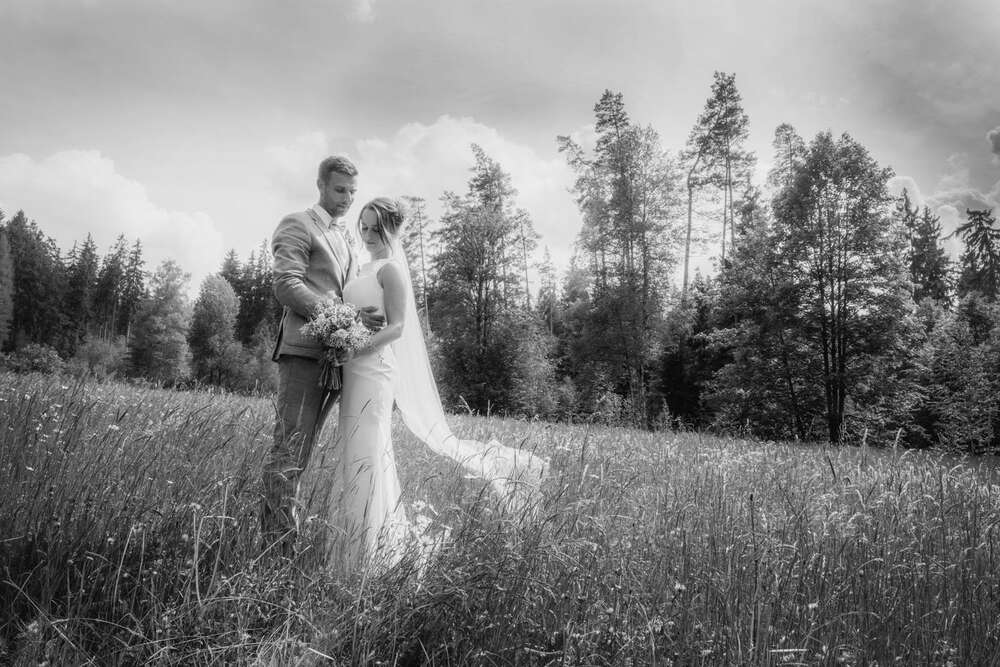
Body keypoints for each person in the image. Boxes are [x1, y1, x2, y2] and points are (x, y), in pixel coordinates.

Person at [330, 197, 549, 572]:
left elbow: (396, 327)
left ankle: (370, 556)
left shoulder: (392, 271)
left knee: (369, 450)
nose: (367, 235)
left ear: (393, 231)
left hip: (373, 369)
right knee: (350, 451)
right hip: (352, 369)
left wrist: (356, 349)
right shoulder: (360, 267)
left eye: (375, 229)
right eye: (363, 227)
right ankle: (346, 546)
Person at [263, 155, 383, 556]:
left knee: (306, 453)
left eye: (352, 191)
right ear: (320, 185)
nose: (347, 198)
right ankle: (276, 552)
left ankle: (286, 545)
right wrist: (344, 316)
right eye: (339, 189)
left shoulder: (346, 237)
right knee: (288, 452)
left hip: (335, 358)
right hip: (302, 353)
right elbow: (286, 285)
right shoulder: (297, 224)